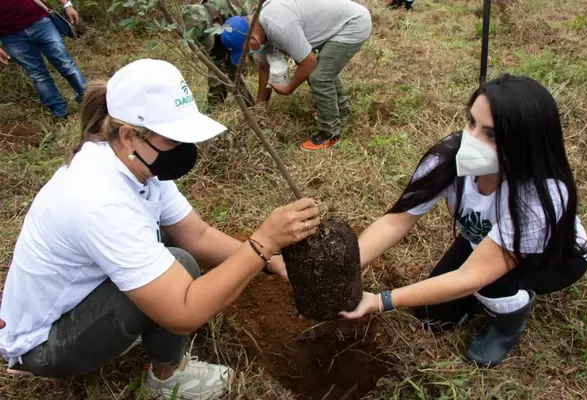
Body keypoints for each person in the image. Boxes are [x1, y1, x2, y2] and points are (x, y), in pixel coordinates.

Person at [0, 58, 320, 400]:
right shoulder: (98, 200)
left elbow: (196, 234)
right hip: (44, 344)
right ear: (128, 135)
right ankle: (167, 379)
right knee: (179, 266)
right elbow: (184, 312)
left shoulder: (135, 164)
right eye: (173, 139)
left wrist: (273, 262)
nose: (183, 150)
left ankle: (133, 320)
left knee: (171, 244)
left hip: (74, 300)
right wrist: (263, 243)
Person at [340, 75, 587, 367]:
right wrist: (344, 266)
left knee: (486, 282)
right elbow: (396, 221)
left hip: (555, 259)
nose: (470, 140)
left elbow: (469, 277)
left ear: (526, 143)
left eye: (493, 135)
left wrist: (381, 300)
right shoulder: (447, 159)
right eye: (471, 122)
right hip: (485, 237)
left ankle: (508, 325)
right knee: (432, 317)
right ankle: (485, 294)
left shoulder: (539, 195)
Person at [220, 0, 372, 151]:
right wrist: (260, 110)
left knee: (318, 77)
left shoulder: (278, 25)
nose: (248, 54)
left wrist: (289, 88)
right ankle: (341, 110)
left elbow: (309, 63)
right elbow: (265, 67)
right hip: (338, 21)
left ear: (253, 38)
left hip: (353, 24)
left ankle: (330, 133)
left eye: (246, 50)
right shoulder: (261, 24)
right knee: (322, 70)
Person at [0, 0, 87, 119]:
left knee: (66, 64)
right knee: (38, 75)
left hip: (40, 22)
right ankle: (60, 112)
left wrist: (67, 5)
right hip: (10, 36)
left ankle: (89, 99)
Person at [181, 0, 256, 111]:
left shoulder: (233, 13)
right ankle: (212, 112)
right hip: (218, 30)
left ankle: (250, 109)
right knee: (216, 75)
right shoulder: (193, 16)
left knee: (235, 74)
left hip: (239, 31)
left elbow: (246, 35)